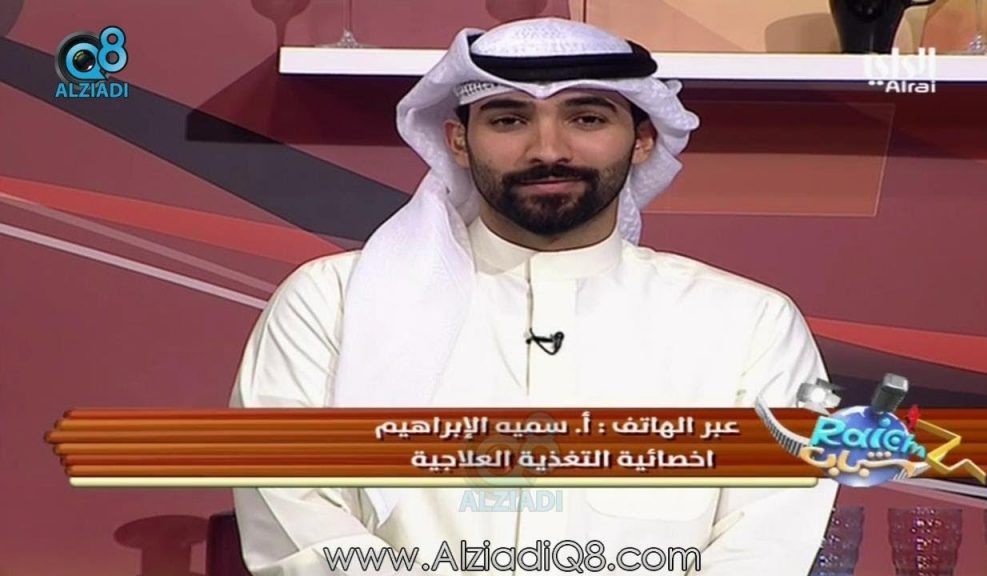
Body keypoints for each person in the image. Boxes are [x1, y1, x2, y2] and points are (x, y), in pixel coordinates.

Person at [230, 17, 838, 576]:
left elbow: (766, 542)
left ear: (643, 139)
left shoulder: (747, 324)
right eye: (508, 119)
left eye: (587, 118)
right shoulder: (333, 302)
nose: (548, 149)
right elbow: (294, 513)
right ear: (458, 141)